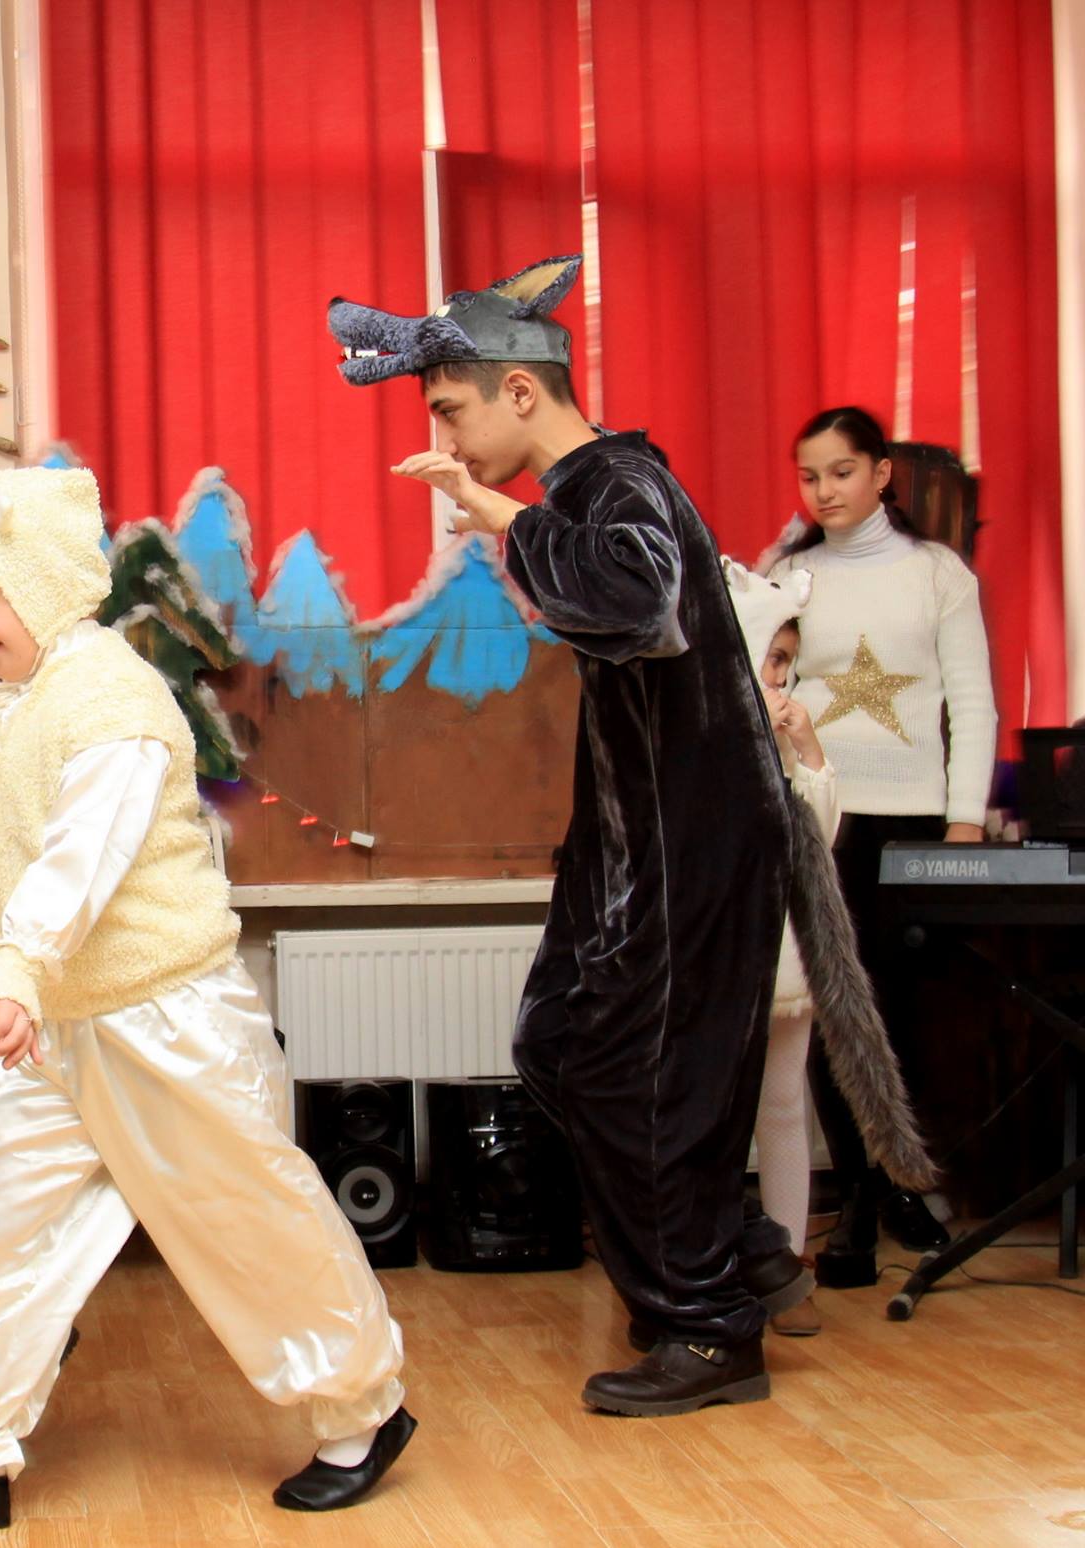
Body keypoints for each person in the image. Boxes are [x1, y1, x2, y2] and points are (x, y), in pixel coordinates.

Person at [0, 467, 412, 1533]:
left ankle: (360, 1411)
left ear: (45, 582)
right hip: (61, 1026)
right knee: (9, 1224)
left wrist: (14, 967)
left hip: (167, 1019)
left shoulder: (115, 707)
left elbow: (76, 864)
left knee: (248, 1225)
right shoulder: (16, 712)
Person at [333, 256, 802, 1416]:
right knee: (560, 1044)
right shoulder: (598, 487)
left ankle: (706, 1327)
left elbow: (633, 602)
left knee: (643, 1072)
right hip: (642, 837)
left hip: (690, 841)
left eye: (452, 409)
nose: (444, 437)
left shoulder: (615, 482)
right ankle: (734, 1256)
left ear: (520, 392)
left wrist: (502, 514)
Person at [768, 406, 997, 1285]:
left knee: (904, 1009)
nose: (824, 491)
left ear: (881, 473)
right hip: (821, 816)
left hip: (914, 820)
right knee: (832, 1008)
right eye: (809, 476)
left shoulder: (937, 574)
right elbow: (764, 687)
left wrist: (964, 819)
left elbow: (971, 701)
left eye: (841, 472)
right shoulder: (789, 577)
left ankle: (905, 1183)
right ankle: (858, 1201)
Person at [726, 564, 836, 1337]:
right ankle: (721, 1267)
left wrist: (808, 750)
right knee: (719, 1112)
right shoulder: (713, 729)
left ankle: (788, 1267)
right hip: (728, 948)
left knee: (784, 1105)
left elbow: (819, 838)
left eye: (786, 663)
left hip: (787, 952)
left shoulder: (791, 739)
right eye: (768, 657)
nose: (778, 676)